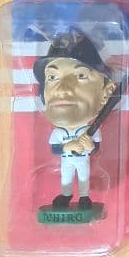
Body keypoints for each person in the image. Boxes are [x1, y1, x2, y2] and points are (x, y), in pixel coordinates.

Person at [33, 29, 117, 213]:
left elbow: (95, 148)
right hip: (67, 160)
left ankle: (84, 197)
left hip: (82, 159)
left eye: (80, 76)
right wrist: (67, 147)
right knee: (66, 178)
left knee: (84, 177)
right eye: (52, 77)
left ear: (106, 93)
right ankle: (66, 195)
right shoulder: (59, 133)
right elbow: (55, 148)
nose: (63, 89)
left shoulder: (89, 130)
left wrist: (90, 146)